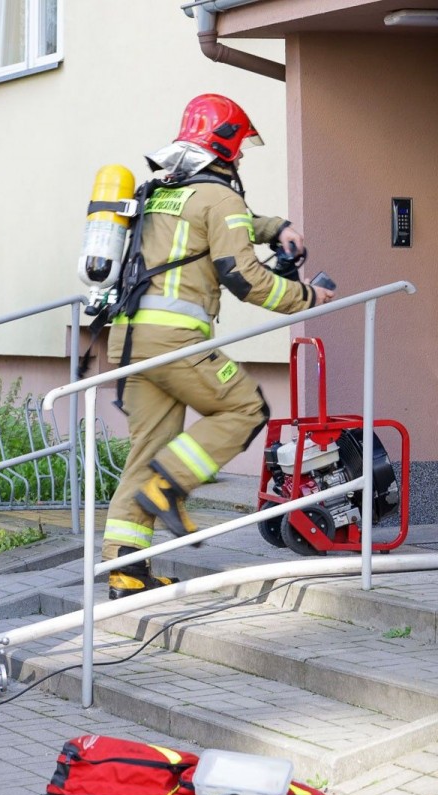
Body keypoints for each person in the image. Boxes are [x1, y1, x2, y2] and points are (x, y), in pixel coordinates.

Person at [102, 94, 336, 600]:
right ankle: (170, 485)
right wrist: (307, 297)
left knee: (146, 450)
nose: (244, 156)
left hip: (128, 340)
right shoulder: (220, 197)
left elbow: (220, 224)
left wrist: (275, 228)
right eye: (241, 144)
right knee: (246, 408)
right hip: (176, 339)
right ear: (225, 142)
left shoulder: (162, 188)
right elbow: (245, 279)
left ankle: (125, 569)